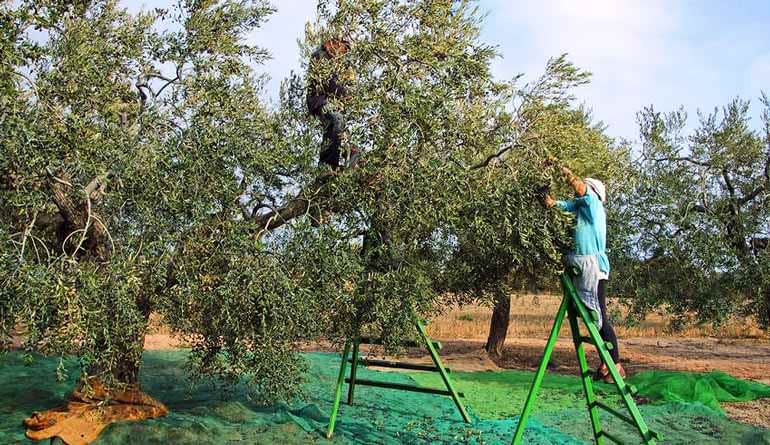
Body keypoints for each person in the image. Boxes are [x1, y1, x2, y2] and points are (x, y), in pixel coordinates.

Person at [541, 157, 625, 383]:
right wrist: (542, 191)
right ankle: (607, 363)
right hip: (579, 265)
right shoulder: (579, 208)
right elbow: (554, 204)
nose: (578, 193)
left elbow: (578, 187)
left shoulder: (593, 205)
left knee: (599, 317)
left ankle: (615, 364)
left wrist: (558, 166)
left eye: (585, 189)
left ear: (592, 192)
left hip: (592, 268)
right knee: (586, 313)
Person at [306, 38, 358, 170]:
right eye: (344, 48)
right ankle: (327, 165)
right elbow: (331, 84)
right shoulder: (321, 56)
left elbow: (350, 87)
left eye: (347, 50)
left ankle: (350, 166)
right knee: (336, 119)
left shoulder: (343, 64)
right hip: (321, 101)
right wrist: (344, 91)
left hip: (336, 104)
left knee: (349, 139)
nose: (345, 52)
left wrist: (349, 89)